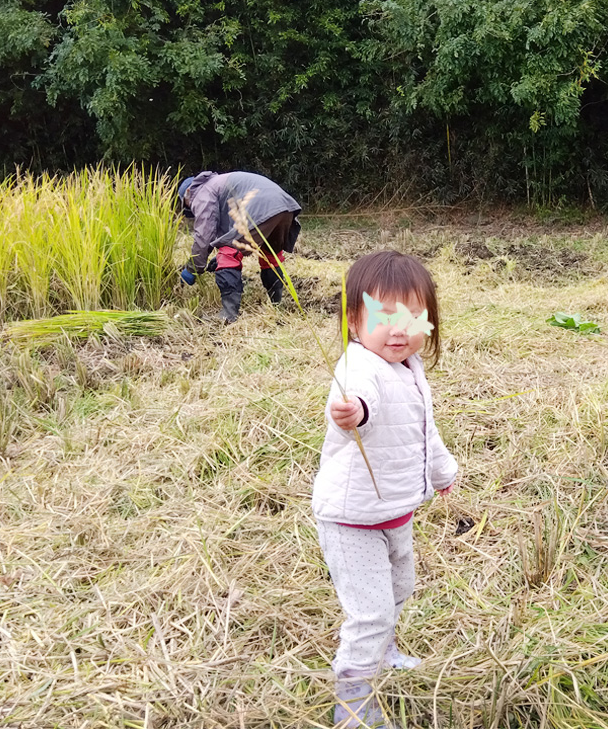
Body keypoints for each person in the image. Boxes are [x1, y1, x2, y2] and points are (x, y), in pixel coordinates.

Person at [313, 250, 458, 728]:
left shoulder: (411, 368)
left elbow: (424, 431)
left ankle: (383, 650)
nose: (399, 329)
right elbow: (361, 404)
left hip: (395, 511)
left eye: (413, 316)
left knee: (399, 588)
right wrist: (353, 412)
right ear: (354, 322)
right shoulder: (360, 367)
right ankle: (354, 703)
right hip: (353, 518)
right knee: (370, 612)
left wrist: (442, 473)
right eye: (383, 316)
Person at [175, 171, 302, 324]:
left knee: (228, 255)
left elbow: (204, 234)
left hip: (260, 207)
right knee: (269, 255)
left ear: (188, 192)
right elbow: (229, 230)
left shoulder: (201, 191)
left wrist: (193, 268)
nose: (191, 207)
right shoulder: (219, 184)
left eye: (187, 204)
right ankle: (277, 305)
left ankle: (228, 315)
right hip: (284, 206)